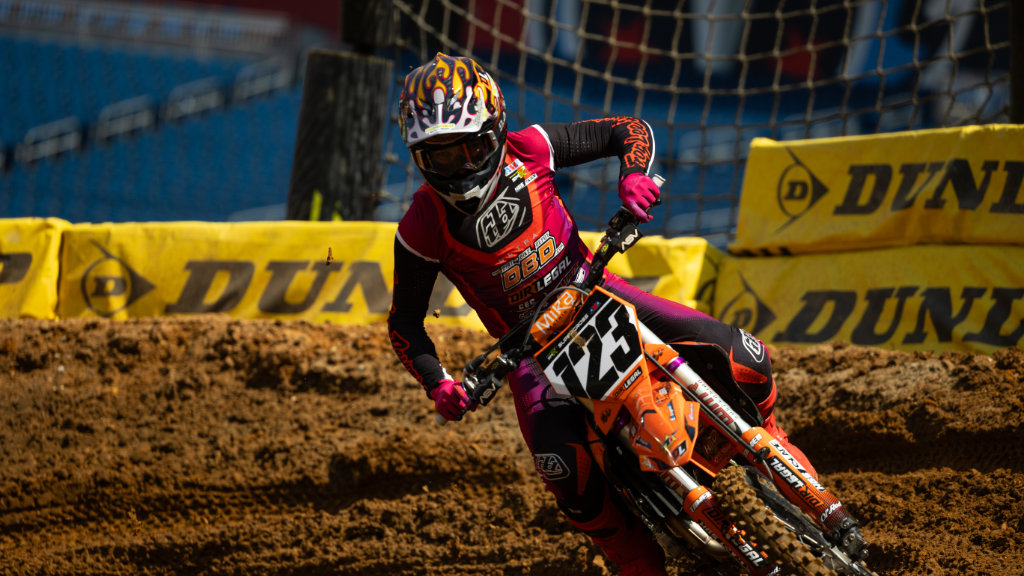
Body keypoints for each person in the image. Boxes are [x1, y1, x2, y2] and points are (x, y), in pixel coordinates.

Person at [387, 53, 817, 576]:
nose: (458, 166)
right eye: (439, 157)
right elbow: (405, 321)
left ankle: (775, 443)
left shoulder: (533, 148)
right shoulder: (420, 227)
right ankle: (636, 560)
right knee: (568, 477)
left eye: (470, 147)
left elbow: (626, 129)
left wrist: (634, 176)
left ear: (497, 128)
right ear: (418, 157)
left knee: (742, 355)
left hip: (597, 292)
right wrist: (438, 383)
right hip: (530, 355)